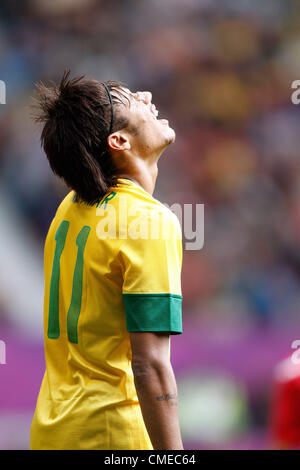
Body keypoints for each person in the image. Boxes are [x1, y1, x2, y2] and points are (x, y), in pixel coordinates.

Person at [30, 71, 183, 450]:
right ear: (119, 141)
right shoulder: (147, 221)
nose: (147, 93)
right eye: (133, 99)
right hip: (112, 433)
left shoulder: (70, 207)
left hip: (51, 431)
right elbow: (151, 366)